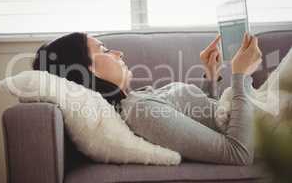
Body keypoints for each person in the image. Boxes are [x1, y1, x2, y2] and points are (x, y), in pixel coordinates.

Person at [32, 32, 262, 165]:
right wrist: (241, 75)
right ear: (86, 70)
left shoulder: (137, 98)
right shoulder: (141, 111)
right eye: (104, 50)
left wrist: (212, 74)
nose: (119, 53)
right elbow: (238, 153)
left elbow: (210, 120)